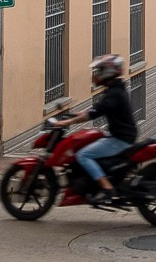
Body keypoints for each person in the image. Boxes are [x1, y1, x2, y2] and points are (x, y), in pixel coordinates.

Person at [55, 54, 137, 206]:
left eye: (100, 70)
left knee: (83, 155)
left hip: (120, 139)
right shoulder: (116, 90)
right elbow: (98, 109)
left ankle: (106, 187)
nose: (97, 74)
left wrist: (67, 121)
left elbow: (93, 114)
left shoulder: (114, 94)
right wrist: (77, 114)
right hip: (121, 136)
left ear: (109, 72)